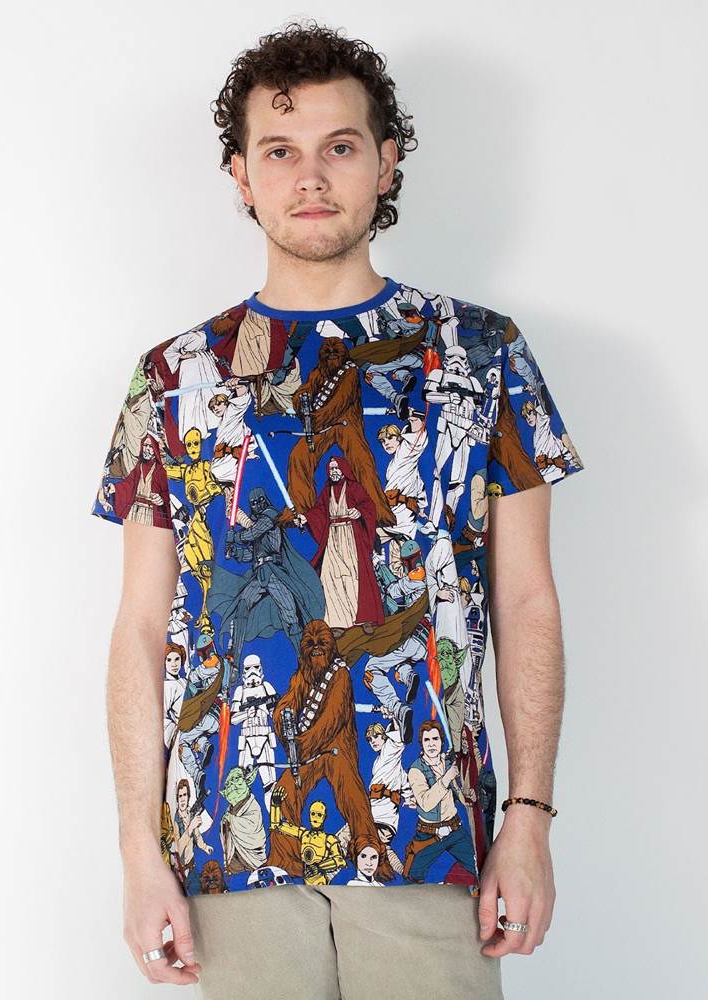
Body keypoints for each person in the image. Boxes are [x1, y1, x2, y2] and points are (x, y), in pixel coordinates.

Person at [89, 19, 584, 999]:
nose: (309, 177)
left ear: (386, 163)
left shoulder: (479, 354)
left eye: (340, 147)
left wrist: (527, 820)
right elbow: (142, 627)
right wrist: (140, 853)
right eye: (280, 151)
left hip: (428, 843)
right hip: (231, 852)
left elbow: (527, 599)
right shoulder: (174, 379)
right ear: (241, 174)